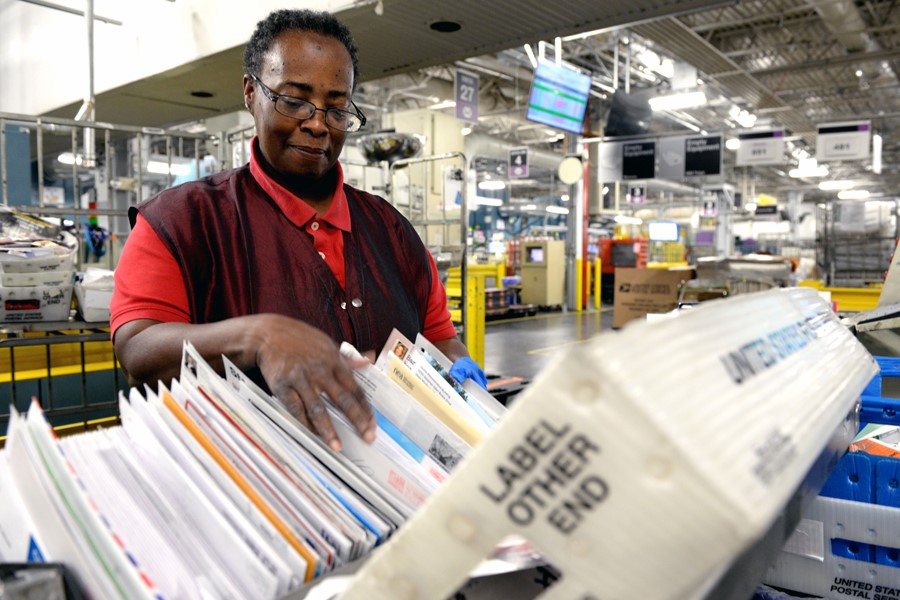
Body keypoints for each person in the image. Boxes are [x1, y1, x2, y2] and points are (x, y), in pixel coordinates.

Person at [110, 8, 485, 452]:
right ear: (252, 93)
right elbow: (137, 349)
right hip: (253, 491)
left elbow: (440, 337)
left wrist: (458, 369)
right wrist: (257, 336)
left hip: (396, 487)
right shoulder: (181, 221)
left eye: (336, 108)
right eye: (293, 100)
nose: (317, 123)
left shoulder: (393, 231)